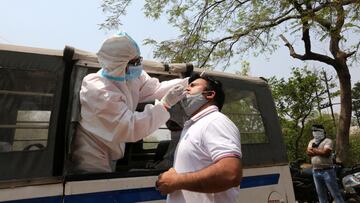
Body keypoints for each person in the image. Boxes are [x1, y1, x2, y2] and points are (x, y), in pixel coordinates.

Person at [70, 32, 188, 173]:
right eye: (135, 62)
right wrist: (165, 105)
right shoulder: (98, 89)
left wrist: (187, 83)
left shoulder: (131, 76)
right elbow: (129, 127)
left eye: (139, 60)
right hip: (92, 155)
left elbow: (154, 89)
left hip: (112, 149)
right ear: (121, 64)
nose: (139, 65)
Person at [156, 73, 243, 203]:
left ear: (209, 94)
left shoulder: (215, 121)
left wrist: (176, 181)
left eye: (193, 85)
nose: (186, 89)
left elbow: (230, 173)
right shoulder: (194, 125)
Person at [306, 124, 344, 203]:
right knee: (321, 195)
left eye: (316, 130)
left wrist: (313, 150)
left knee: (335, 194)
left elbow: (326, 152)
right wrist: (320, 151)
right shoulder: (311, 141)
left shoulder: (328, 141)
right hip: (315, 171)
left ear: (321, 131)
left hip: (327, 171)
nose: (314, 132)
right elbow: (308, 153)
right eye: (313, 131)